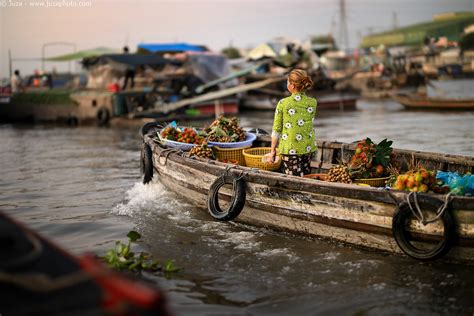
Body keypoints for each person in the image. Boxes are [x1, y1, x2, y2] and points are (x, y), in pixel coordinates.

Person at [270, 69, 317, 177]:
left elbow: (277, 129)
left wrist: (272, 151)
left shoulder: (283, 103)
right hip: (307, 146)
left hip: (290, 148)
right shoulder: (313, 102)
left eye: (287, 82)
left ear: (292, 85)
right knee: (306, 177)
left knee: (293, 180)